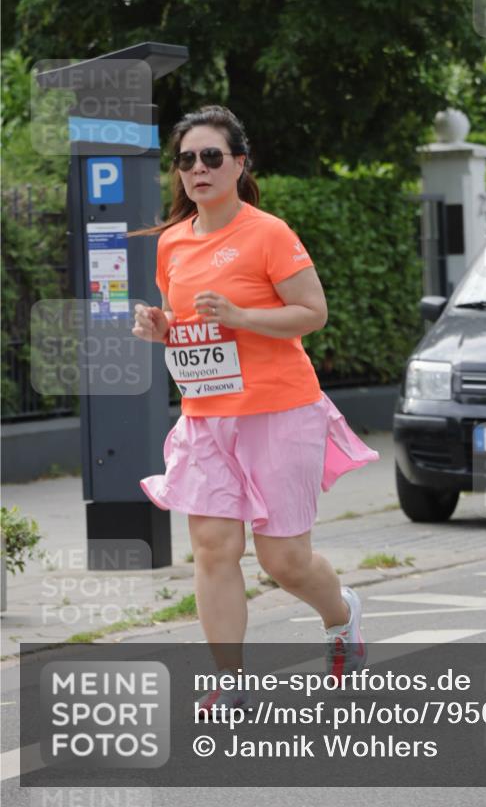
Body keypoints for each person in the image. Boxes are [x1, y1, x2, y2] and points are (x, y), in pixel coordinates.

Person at [129, 105, 379, 711]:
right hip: (206, 414)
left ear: (240, 164)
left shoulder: (268, 232)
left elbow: (312, 312)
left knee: (284, 562)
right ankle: (230, 681)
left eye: (211, 156)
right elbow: (192, 326)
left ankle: (342, 618)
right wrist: (162, 328)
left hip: (279, 411)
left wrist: (242, 317)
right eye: (186, 159)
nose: (197, 169)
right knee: (214, 548)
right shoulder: (172, 245)